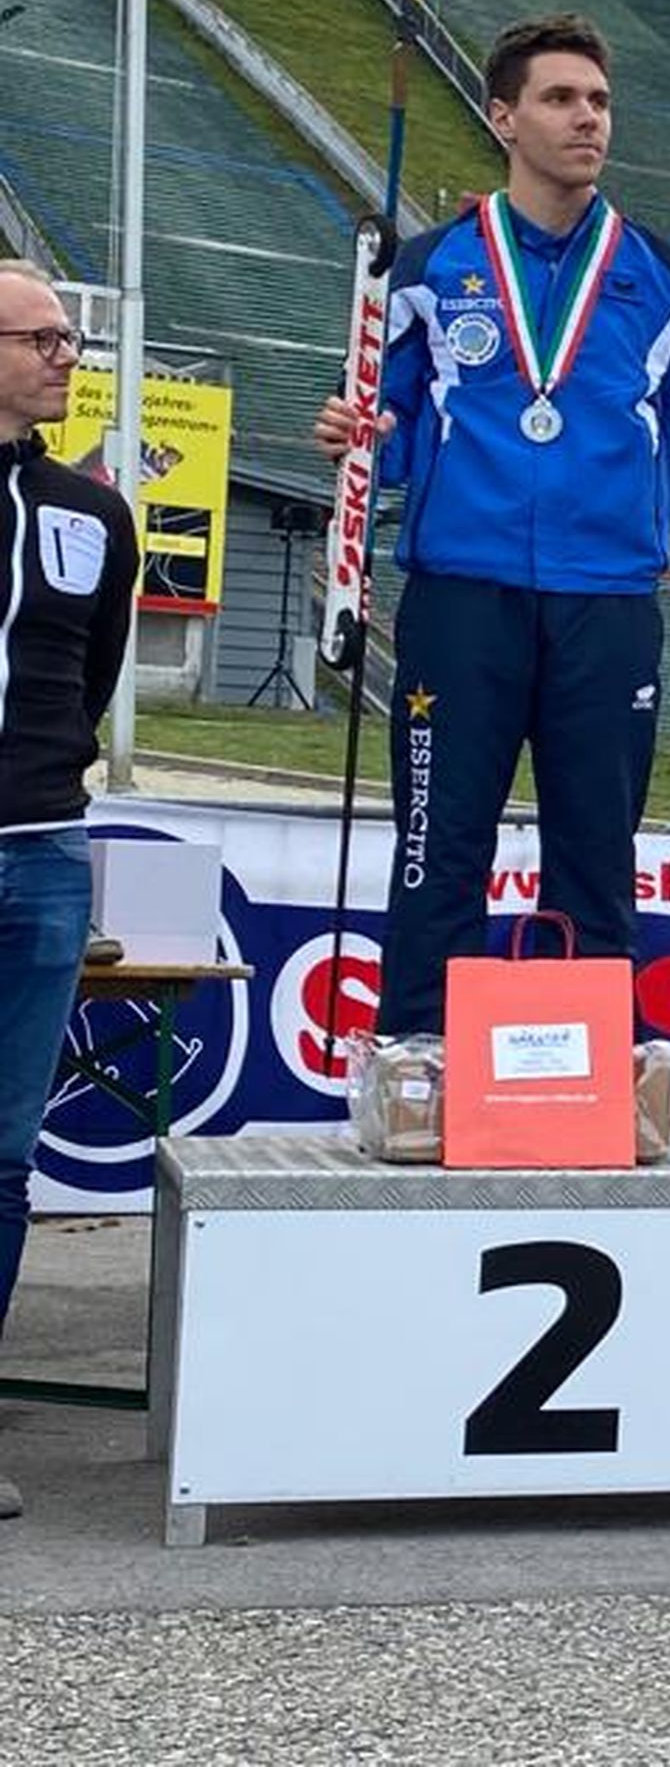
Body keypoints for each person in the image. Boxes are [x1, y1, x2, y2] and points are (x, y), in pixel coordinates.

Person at [313, 14, 670, 1037]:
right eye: (560, 99)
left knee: (596, 854)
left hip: (606, 604)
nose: (588, 120)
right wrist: (360, 433)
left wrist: (634, 531)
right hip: (463, 599)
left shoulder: (658, 273)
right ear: (503, 116)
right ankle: (413, 1066)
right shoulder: (434, 267)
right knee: (439, 849)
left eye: (599, 101)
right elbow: (389, 425)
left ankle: (584, 1082)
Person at [0, 264, 139, 1522]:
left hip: (39, 852)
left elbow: (91, 671)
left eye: (71, 339)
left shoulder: (92, 512)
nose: (66, 356)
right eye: (42, 337)